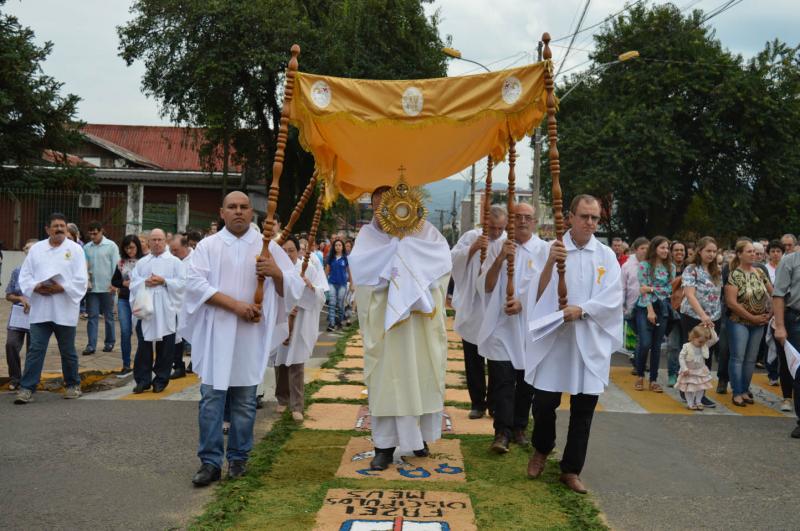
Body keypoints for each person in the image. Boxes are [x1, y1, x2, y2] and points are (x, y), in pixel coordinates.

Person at [180, 191, 302, 486]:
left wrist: (275, 273)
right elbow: (193, 284)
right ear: (222, 212)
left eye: (244, 207)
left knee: (245, 401)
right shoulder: (208, 246)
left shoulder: (268, 247)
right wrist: (235, 306)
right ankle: (209, 463)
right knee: (211, 399)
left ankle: (238, 459)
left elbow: (294, 290)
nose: (238, 212)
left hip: (251, 333)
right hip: (216, 331)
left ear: (252, 213)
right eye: (232, 207)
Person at [524, 195, 622, 494]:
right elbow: (534, 293)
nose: (590, 223)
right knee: (543, 403)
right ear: (570, 217)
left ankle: (571, 468)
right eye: (584, 217)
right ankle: (542, 448)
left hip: (588, 337)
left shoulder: (605, 255)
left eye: (595, 218)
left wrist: (583, 309)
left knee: (584, 408)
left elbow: (614, 296)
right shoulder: (551, 249)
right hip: (556, 339)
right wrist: (550, 264)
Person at [349, 185, 451, 471]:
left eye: (390, 204)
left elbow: (443, 263)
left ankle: (418, 439)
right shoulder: (368, 237)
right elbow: (361, 271)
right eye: (379, 207)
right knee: (386, 382)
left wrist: (409, 259)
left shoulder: (426, 233)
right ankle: (383, 446)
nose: (385, 213)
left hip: (418, 324)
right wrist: (393, 259)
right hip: (385, 325)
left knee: (418, 378)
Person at [477, 202, 547, 453]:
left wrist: (523, 305)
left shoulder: (543, 250)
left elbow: (546, 289)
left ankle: (519, 426)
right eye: (518, 217)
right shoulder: (498, 246)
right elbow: (485, 286)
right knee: (502, 380)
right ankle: (502, 433)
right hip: (502, 327)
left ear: (535, 222)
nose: (523, 222)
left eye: (528, 217)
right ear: (510, 221)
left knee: (526, 381)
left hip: (529, 327)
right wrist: (499, 259)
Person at [14, 213, 88, 404]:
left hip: (64, 308)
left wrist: (61, 287)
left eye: (62, 226)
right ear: (47, 229)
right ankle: (27, 388)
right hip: (41, 309)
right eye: (55, 226)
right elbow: (25, 276)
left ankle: (72, 385)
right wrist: (36, 287)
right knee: (36, 350)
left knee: (68, 350)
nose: (59, 229)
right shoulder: (37, 249)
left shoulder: (75, 250)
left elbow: (81, 279)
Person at [450, 205, 507, 419]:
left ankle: (493, 403)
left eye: (501, 228)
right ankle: (477, 403)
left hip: (495, 307)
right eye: (493, 228)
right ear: (484, 224)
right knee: (473, 358)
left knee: (495, 358)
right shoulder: (472, 236)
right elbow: (452, 259)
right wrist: (473, 248)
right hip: (473, 306)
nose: (497, 233)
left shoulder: (506, 241)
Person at [267, 235, 328, 421]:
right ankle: (282, 399)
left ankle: (297, 405)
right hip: (281, 317)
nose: (287, 254)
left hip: (301, 318)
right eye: (283, 251)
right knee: (280, 361)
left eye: (291, 250)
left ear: (298, 251)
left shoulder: (308, 268)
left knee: (296, 362)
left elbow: (321, 294)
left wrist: (310, 287)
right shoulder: (275, 268)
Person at [129, 229, 185, 394]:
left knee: (166, 346)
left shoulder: (175, 262)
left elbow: (182, 283)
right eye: (153, 240)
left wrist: (164, 281)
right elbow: (133, 282)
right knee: (144, 345)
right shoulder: (142, 262)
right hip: (146, 308)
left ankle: (160, 379)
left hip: (167, 308)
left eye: (160, 239)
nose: (157, 243)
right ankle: (143, 380)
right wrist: (145, 281)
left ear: (165, 241)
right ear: (148, 242)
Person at [725, 240, 772, 407]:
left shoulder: (760, 272)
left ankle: (745, 390)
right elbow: (731, 303)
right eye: (749, 251)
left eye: (754, 251)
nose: (753, 254)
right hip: (739, 322)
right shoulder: (734, 274)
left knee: (751, 359)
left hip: (759, 322)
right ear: (739, 254)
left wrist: (769, 314)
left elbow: (773, 294)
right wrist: (752, 318)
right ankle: (737, 392)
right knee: (738, 357)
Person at [678, 236, 721, 407]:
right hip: (693, 316)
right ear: (700, 251)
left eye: (714, 251)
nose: (711, 254)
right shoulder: (691, 269)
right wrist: (703, 315)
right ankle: (686, 388)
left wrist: (713, 317)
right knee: (691, 355)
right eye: (708, 251)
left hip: (712, 318)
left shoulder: (716, 270)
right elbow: (689, 294)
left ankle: (701, 393)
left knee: (705, 355)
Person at [633, 236, 674, 392]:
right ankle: (640, 375)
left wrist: (650, 288)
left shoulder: (671, 267)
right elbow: (642, 290)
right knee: (644, 343)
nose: (665, 251)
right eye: (662, 247)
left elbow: (668, 290)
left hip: (662, 308)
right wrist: (649, 309)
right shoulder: (644, 266)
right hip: (645, 308)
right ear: (655, 248)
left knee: (657, 346)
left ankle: (653, 380)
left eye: (667, 248)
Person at [772, 245, 800, 436]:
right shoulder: (790, 261)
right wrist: (780, 326)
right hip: (796, 319)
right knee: (799, 371)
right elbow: (778, 294)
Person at [82, 221, 119, 355]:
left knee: (108, 317)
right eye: (90, 234)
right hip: (92, 288)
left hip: (107, 287)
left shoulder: (111, 246)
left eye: (95, 233)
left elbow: (116, 266)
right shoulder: (86, 247)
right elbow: (84, 267)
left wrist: (114, 284)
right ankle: (91, 345)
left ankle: (109, 343)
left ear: (101, 231)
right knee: (92, 317)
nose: (92, 236)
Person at [5, 239, 37, 390]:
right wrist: (19, 298)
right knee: (11, 344)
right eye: (27, 250)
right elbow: (8, 295)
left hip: (37, 315)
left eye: (33, 250)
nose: (30, 253)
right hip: (18, 315)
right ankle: (15, 378)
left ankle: (30, 380)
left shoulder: (43, 273)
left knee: (33, 349)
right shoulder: (17, 271)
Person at [111, 235, 144, 377]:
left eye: (132, 247)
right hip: (124, 299)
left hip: (140, 299)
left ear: (137, 247)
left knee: (141, 332)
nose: (130, 250)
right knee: (125, 331)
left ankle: (141, 362)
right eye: (127, 247)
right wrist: (123, 283)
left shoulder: (144, 262)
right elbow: (115, 281)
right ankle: (126, 364)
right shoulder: (121, 263)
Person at [168, 234, 193, 379]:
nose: (173, 253)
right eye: (171, 250)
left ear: (185, 247)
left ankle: (196, 363)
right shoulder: (172, 261)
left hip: (193, 305)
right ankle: (178, 366)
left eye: (175, 250)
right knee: (177, 337)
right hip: (176, 304)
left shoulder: (196, 259)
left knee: (195, 337)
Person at [677, 325, 717, 411]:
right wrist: (684, 368)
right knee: (688, 388)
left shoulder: (704, 345)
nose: (702, 344)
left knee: (701, 387)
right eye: (700, 342)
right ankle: (690, 403)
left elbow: (714, 339)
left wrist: (711, 328)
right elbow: (681, 357)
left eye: (704, 342)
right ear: (693, 337)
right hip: (688, 371)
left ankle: (698, 401)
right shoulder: (686, 346)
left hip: (700, 371)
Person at [622, 237, 649, 365]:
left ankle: (639, 362)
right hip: (631, 305)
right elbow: (622, 287)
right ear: (635, 250)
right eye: (642, 248)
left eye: (647, 248)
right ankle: (638, 360)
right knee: (639, 336)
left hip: (647, 305)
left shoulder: (651, 265)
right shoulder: (627, 266)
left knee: (644, 337)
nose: (645, 251)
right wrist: (622, 305)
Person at [665, 240, 687, 387]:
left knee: (686, 345)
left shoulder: (691, 268)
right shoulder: (666, 268)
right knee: (673, 345)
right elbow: (665, 288)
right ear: (671, 252)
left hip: (687, 311)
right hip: (672, 311)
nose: (679, 253)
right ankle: (672, 373)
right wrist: (681, 278)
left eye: (682, 250)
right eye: (676, 250)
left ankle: (683, 373)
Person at [324, 239, 351, 331]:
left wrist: (352, 284)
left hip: (342, 284)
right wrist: (324, 283)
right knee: (332, 303)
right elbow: (326, 271)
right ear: (334, 247)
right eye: (336, 245)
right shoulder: (330, 258)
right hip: (332, 283)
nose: (338, 247)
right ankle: (331, 324)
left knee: (340, 304)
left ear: (342, 247)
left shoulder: (346, 258)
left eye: (340, 245)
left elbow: (349, 272)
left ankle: (339, 321)